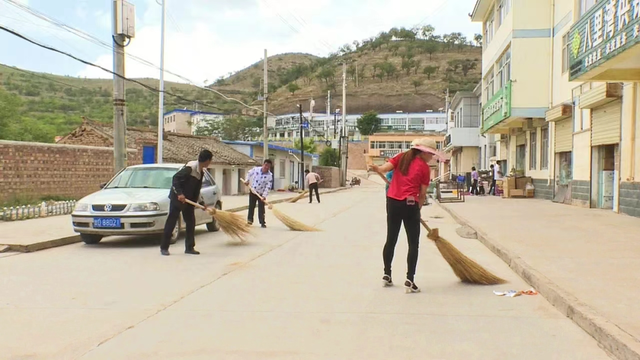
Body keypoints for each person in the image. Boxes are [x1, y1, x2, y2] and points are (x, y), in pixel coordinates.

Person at [370, 137, 443, 294]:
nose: (431, 157)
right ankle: (410, 279)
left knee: (391, 239)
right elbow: (422, 194)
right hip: (410, 204)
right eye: (430, 154)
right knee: (413, 243)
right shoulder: (424, 168)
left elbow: (383, 169)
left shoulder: (401, 157)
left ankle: (387, 274)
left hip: (393, 202)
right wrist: (418, 209)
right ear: (423, 152)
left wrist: (376, 168)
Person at [160, 149, 213, 256]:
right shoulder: (190, 168)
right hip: (177, 198)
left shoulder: (201, 171)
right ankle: (164, 247)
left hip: (189, 200)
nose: (210, 162)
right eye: (210, 160)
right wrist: (179, 194)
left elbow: (196, 190)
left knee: (191, 222)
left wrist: (202, 203)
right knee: (172, 221)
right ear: (207, 160)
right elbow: (175, 179)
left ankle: (189, 247)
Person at [245, 159, 273, 228]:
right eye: (265, 165)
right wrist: (247, 180)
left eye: (268, 166)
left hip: (261, 194)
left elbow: (268, 187)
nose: (266, 167)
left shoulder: (269, 176)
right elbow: (249, 173)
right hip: (253, 191)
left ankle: (262, 222)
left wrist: (264, 196)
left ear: (269, 167)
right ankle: (249, 220)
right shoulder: (256, 169)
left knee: (261, 209)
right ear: (263, 164)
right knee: (251, 206)